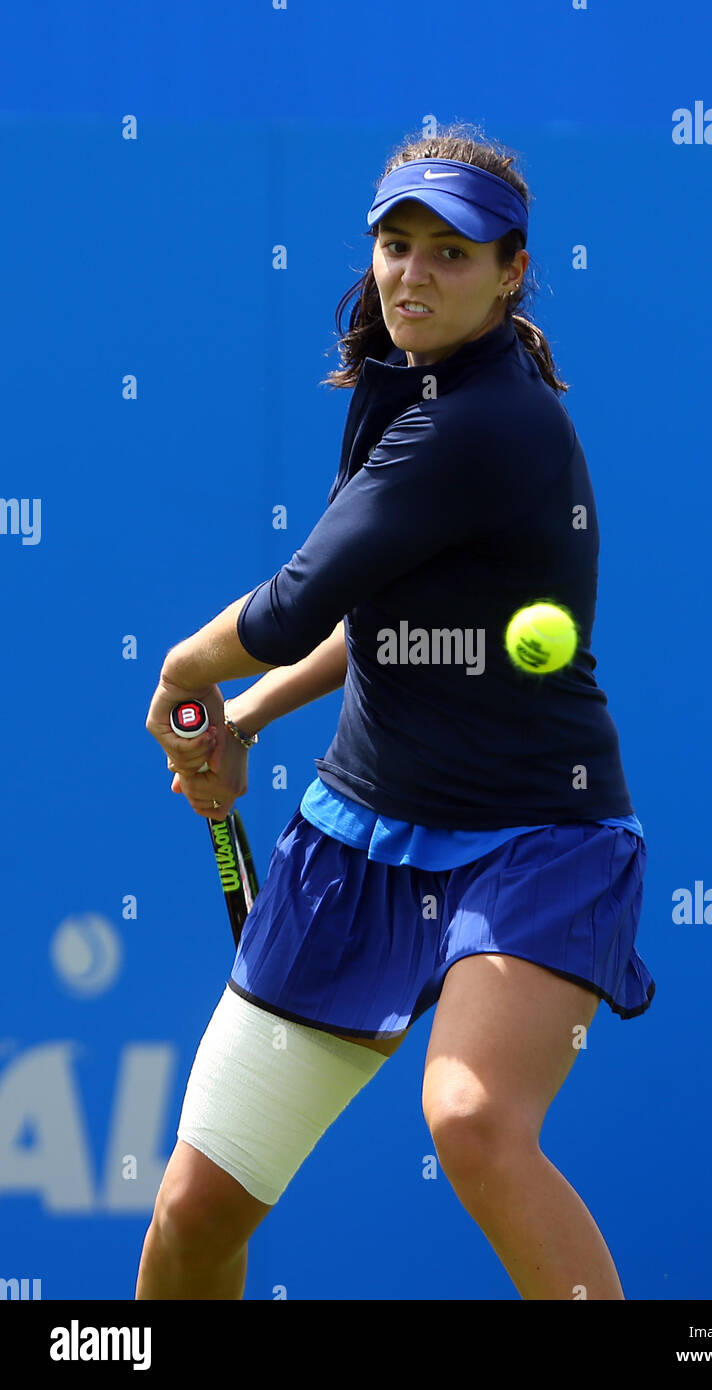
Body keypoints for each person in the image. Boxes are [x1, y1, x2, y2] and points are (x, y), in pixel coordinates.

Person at [136, 125, 655, 1302]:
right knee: (192, 1215)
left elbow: (290, 604)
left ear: (512, 268)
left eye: (451, 253)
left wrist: (185, 672)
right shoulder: (399, 384)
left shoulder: (484, 424)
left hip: (536, 843)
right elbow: (368, 618)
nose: (414, 275)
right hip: (358, 841)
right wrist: (253, 720)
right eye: (396, 244)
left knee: (471, 1120)